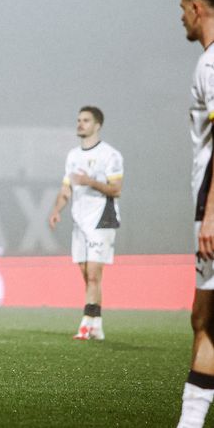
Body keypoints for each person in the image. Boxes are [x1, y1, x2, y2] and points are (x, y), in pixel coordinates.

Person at [48, 106, 123, 340]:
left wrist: (88, 181)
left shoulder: (110, 155)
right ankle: (97, 325)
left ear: (97, 125)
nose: (80, 124)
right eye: (79, 120)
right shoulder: (73, 156)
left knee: (93, 274)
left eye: (86, 120)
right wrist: (56, 209)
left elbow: (116, 189)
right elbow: (66, 188)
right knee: (85, 273)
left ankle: (86, 325)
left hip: (102, 218)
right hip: (79, 221)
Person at [178, 0, 214, 428]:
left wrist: (210, 215)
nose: (181, 20)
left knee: (204, 319)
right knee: (203, 318)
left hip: (212, 209)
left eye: (182, 10)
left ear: (197, 8)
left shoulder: (211, 64)